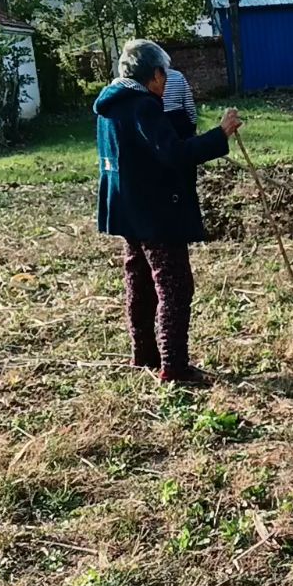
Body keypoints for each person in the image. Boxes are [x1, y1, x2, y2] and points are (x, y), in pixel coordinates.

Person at [94, 39, 241, 384]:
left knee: (140, 283)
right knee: (174, 287)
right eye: (165, 73)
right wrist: (219, 135)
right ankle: (174, 368)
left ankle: (143, 353)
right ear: (156, 74)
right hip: (154, 214)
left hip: (127, 211)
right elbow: (173, 153)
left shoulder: (110, 106)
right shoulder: (143, 106)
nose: (166, 81)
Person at [164, 66, 199, 130]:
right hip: (179, 119)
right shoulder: (177, 75)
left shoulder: (144, 80)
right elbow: (189, 104)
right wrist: (193, 123)